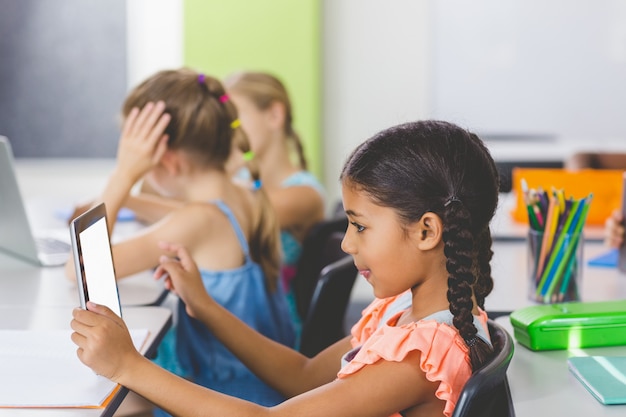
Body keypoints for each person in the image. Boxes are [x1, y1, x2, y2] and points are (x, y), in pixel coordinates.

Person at [71, 120, 500, 417]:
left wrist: (129, 365)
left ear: (427, 231)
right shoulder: (406, 313)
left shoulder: (419, 357)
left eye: (360, 226)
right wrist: (206, 307)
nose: (347, 243)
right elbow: (305, 376)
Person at [66, 68, 296, 408]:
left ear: (168, 160)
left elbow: (80, 269)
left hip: (226, 400)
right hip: (261, 388)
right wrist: (127, 193)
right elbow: (183, 214)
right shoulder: (245, 195)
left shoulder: (197, 220)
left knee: (102, 400)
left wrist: (124, 174)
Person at [224, 71, 326, 294]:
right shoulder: (239, 181)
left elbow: (224, 215)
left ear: (274, 116)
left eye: (234, 118)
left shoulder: (305, 193)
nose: (227, 130)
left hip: (270, 321)